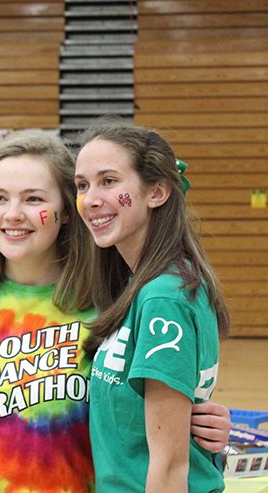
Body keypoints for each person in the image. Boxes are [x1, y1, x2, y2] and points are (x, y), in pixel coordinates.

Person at [0, 133, 231, 492]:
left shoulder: (113, 302)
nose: (13, 214)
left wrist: (205, 424)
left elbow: (142, 418)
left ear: (68, 213)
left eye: (34, 199)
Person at [74, 119, 231, 492]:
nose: (91, 198)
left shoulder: (165, 297)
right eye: (82, 185)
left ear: (157, 192)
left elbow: (170, 466)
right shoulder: (136, 284)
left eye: (109, 181)